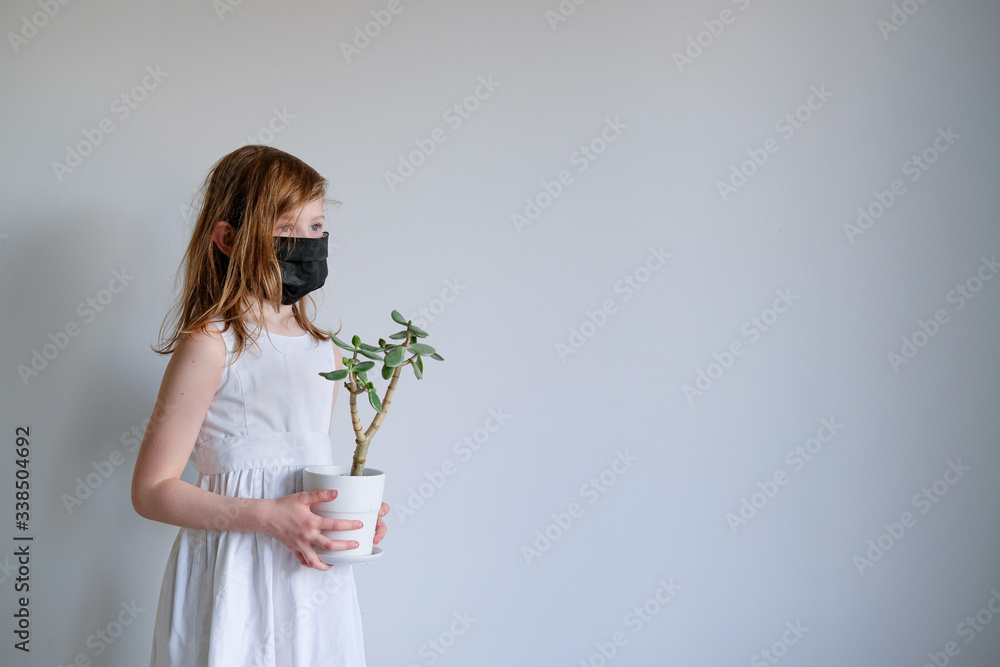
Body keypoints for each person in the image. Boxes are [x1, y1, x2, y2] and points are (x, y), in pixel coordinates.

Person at [131, 144, 388, 666]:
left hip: (310, 575)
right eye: (286, 227)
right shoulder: (211, 345)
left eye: (316, 226)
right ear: (229, 239)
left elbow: (302, 466)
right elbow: (151, 491)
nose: (307, 242)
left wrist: (347, 514)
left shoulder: (327, 351)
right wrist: (267, 517)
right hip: (234, 570)